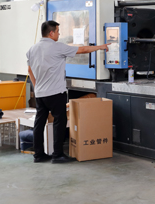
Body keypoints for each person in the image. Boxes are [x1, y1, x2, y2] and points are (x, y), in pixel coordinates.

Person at [27, 20, 110, 164]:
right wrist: (100, 47)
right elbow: (82, 50)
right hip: (55, 93)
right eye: (58, 31)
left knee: (39, 123)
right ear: (51, 33)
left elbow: (29, 70)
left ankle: (38, 155)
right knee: (60, 122)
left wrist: (37, 87)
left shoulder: (32, 49)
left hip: (40, 93)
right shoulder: (57, 47)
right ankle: (57, 155)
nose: (59, 34)